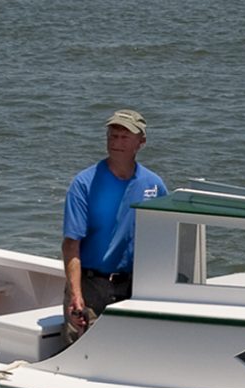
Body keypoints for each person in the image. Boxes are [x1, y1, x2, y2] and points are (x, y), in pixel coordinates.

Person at [61, 109, 167, 343]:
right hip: (91, 287)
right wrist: (76, 296)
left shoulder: (154, 185)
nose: (116, 142)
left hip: (133, 286)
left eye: (124, 136)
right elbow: (71, 245)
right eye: (112, 135)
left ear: (141, 142)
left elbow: (165, 239)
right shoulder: (84, 184)